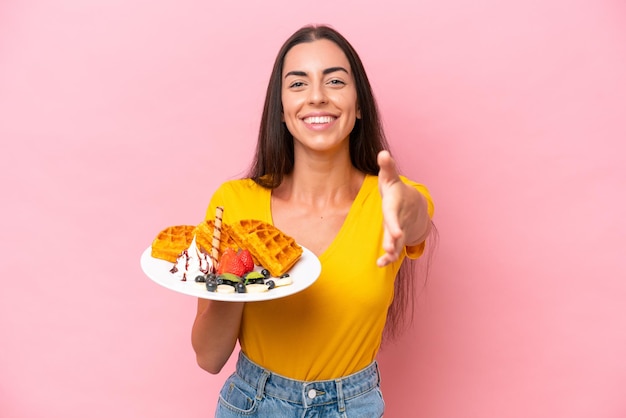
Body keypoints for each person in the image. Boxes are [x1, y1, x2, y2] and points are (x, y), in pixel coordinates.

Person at [191, 24, 435, 417]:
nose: (317, 97)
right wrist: (233, 276)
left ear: (358, 107)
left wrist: (406, 209)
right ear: (282, 111)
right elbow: (209, 356)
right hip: (254, 405)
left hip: (353, 407)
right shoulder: (234, 203)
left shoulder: (392, 197)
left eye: (335, 81)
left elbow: (416, 218)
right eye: (298, 84)